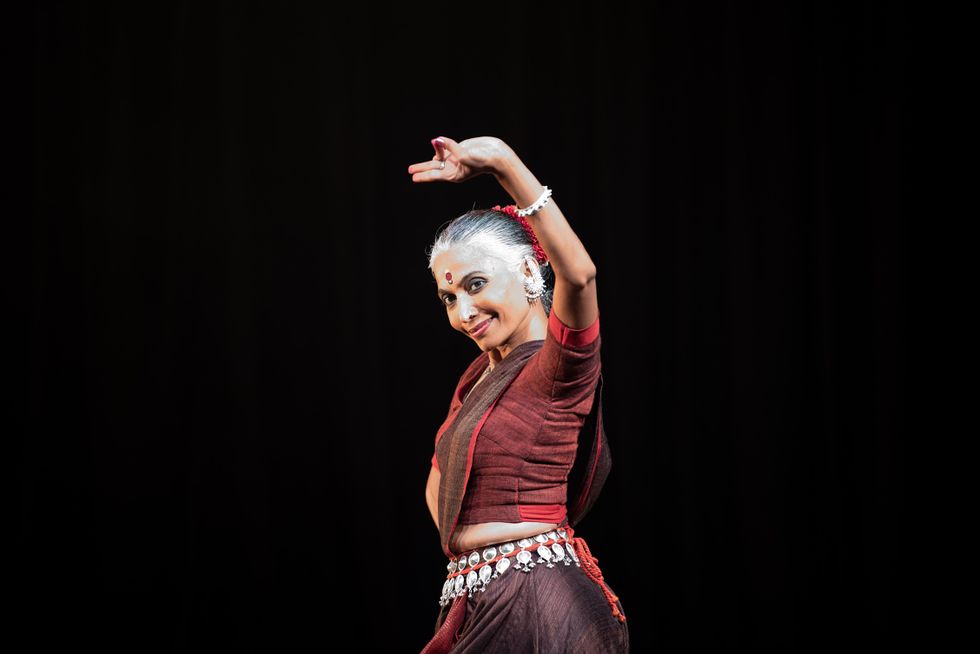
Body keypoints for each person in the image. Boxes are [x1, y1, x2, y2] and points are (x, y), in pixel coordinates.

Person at [408, 136, 629, 653]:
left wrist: (503, 164)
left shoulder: (559, 366)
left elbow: (580, 275)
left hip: (538, 602)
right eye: (449, 296)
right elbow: (441, 481)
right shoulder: (475, 378)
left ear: (529, 270)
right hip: (478, 600)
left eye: (477, 284)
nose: (463, 313)